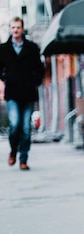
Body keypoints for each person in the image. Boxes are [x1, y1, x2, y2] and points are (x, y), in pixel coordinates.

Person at [0, 17, 45, 171]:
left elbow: (40, 68)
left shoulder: (32, 48)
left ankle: (23, 159)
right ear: (10, 29)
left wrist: (35, 81)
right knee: (14, 124)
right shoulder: (3, 49)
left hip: (28, 92)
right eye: (13, 27)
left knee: (26, 127)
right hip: (12, 92)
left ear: (22, 28)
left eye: (18, 27)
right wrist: (5, 78)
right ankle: (13, 150)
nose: (15, 30)